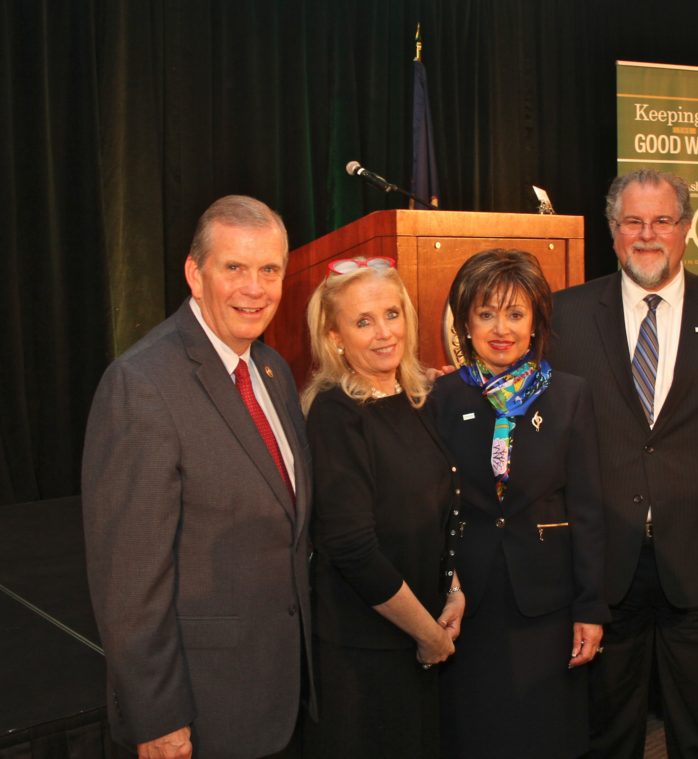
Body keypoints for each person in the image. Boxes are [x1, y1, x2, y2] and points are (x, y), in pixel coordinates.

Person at [548, 168, 698, 758]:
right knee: (605, 730)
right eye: (633, 221)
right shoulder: (564, 316)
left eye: (662, 221)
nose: (647, 234)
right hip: (604, 565)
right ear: (612, 231)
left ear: (685, 230)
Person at [81, 195, 315, 758]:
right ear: (194, 273)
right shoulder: (141, 384)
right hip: (202, 712)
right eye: (234, 267)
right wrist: (157, 717)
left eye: (269, 270)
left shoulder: (273, 370)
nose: (254, 289)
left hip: (280, 695)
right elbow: (130, 581)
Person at [430, 248, 609, 759]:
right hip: (468, 601)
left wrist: (590, 608)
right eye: (485, 314)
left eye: (514, 313)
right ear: (465, 323)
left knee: (545, 736)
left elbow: (589, 508)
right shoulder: (441, 397)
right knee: (474, 735)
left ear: (536, 322)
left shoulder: (571, 395)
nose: (500, 328)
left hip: (547, 602)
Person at [302, 257, 464, 759]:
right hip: (366, 651)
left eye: (392, 314)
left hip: (424, 638)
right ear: (334, 338)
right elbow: (352, 547)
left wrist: (454, 589)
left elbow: (445, 511)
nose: (384, 333)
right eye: (363, 321)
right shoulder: (335, 412)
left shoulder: (419, 396)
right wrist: (428, 634)